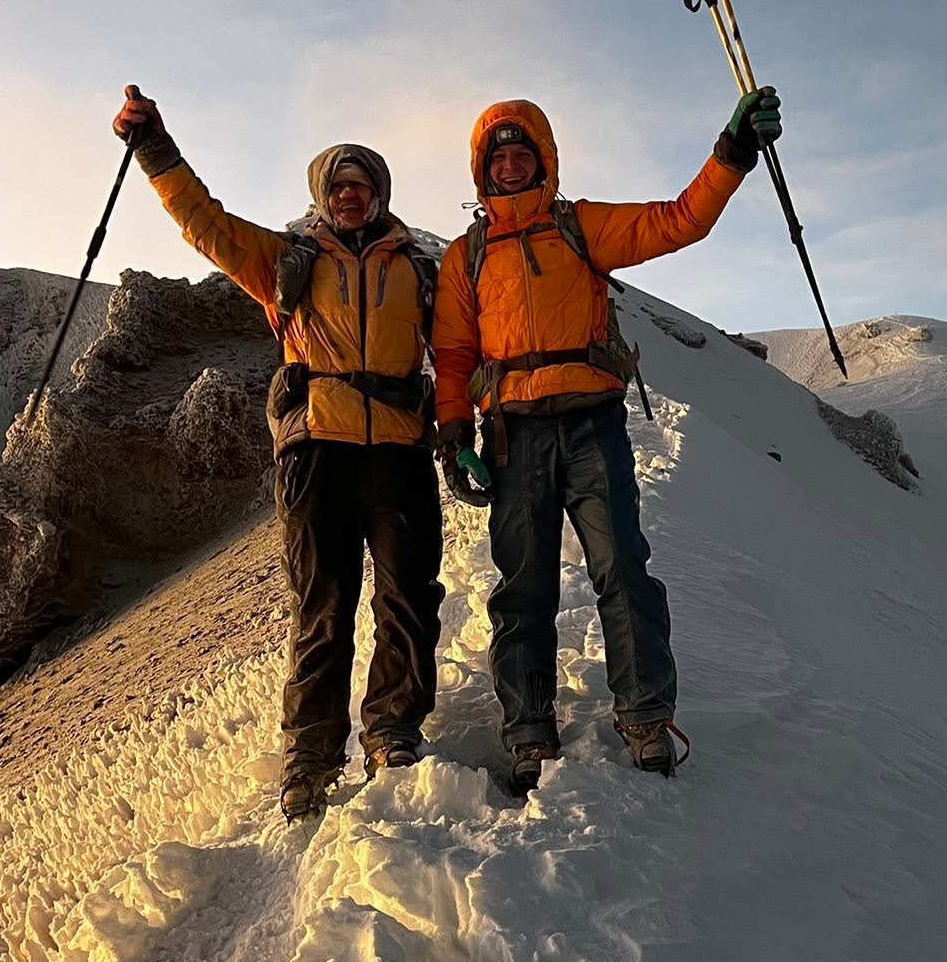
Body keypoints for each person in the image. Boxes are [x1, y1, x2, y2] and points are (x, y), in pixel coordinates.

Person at [430, 85, 783, 798]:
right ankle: (528, 731)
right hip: (510, 434)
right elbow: (455, 353)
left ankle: (646, 717)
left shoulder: (578, 227)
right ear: (480, 171)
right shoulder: (467, 258)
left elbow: (678, 222)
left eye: (520, 151)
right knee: (522, 588)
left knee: (622, 567)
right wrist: (451, 435)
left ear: (544, 161)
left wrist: (731, 154)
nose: (508, 164)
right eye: (496, 156)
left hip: (592, 423)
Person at [112, 88, 444, 823]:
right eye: (338, 187)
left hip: (398, 447)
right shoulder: (286, 261)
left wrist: (462, 431)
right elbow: (206, 225)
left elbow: (454, 351)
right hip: (317, 448)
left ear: (380, 194)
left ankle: (391, 728)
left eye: (361, 186)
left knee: (409, 599)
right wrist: (155, 150)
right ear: (322, 197)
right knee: (324, 608)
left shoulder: (419, 268)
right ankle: (311, 757)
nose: (350, 196)